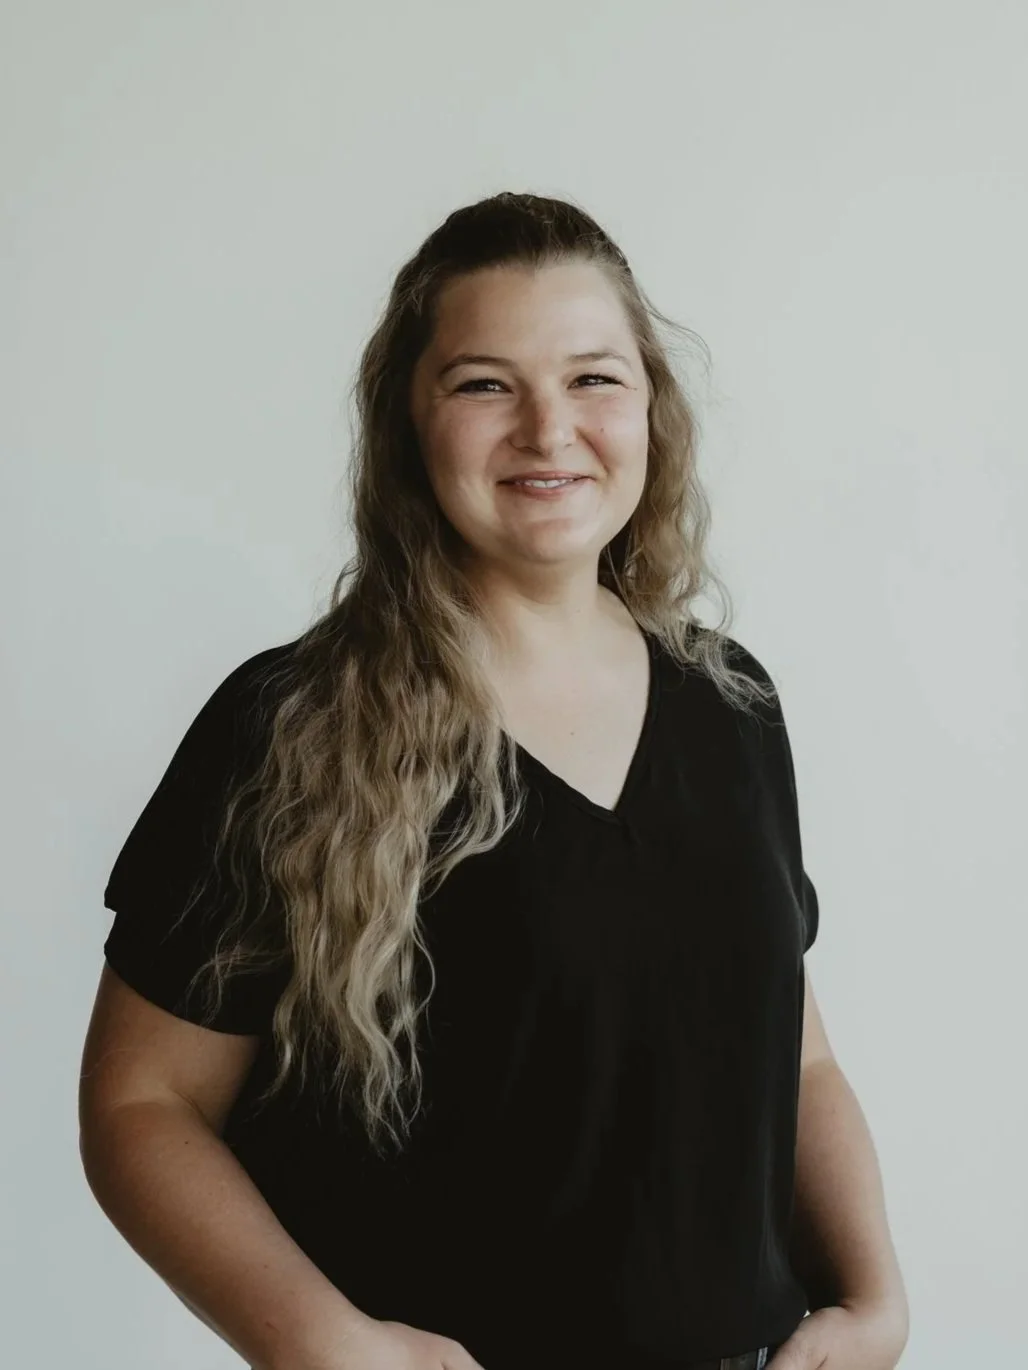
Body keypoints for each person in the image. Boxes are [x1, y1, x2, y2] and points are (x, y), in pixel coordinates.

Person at [78, 192, 908, 1370]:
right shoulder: (289, 725)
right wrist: (326, 1342)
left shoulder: (730, 703)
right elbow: (143, 1102)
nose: (546, 429)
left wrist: (873, 1295)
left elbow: (799, 1057)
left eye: (592, 378)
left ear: (651, 407)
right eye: (482, 384)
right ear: (406, 422)